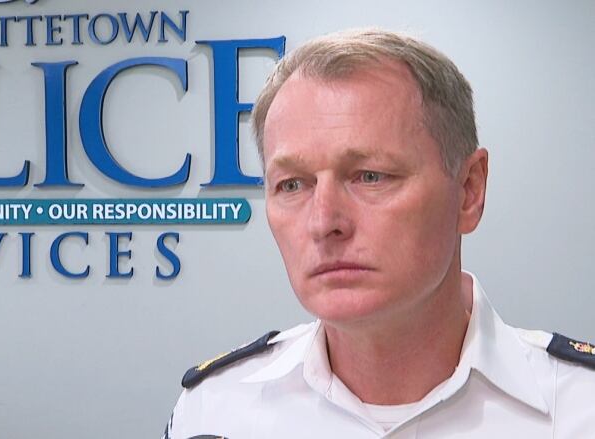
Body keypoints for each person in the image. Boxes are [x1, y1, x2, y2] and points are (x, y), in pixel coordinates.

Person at [162, 28, 595, 438]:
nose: (324, 222)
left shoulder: (581, 409)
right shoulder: (214, 411)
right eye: (292, 185)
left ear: (468, 190)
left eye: (370, 176)